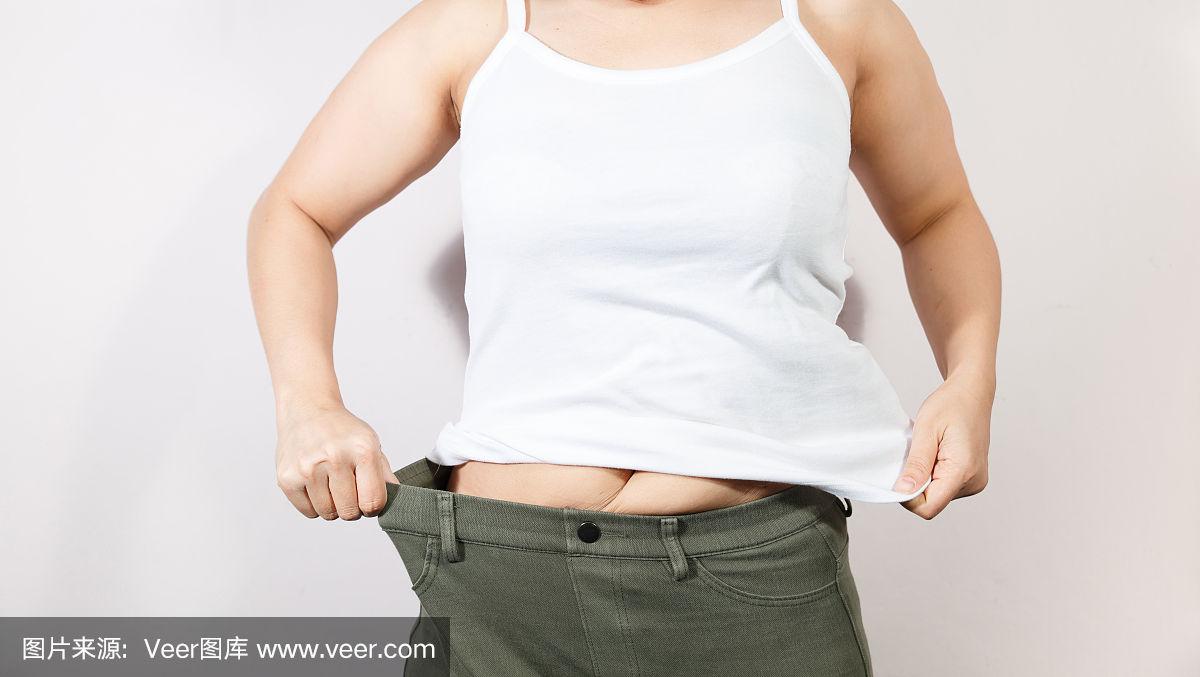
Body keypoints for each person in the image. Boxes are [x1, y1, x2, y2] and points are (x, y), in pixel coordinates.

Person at [247, 0, 1000, 673]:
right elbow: (297, 210)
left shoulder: (836, 21)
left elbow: (937, 213)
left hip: (759, 582)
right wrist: (307, 404)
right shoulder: (473, 26)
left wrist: (970, 382)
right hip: (503, 593)